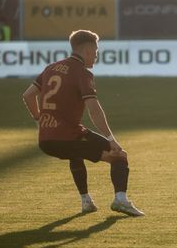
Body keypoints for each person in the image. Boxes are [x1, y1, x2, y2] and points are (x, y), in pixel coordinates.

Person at [22, 29, 144, 216]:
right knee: (119, 155)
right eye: (95, 51)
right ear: (87, 51)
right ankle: (120, 200)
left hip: (45, 140)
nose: (96, 56)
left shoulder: (51, 68)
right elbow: (94, 110)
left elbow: (28, 95)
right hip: (67, 137)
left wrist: (39, 119)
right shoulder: (82, 73)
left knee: (75, 153)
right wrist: (111, 139)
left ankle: (86, 201)